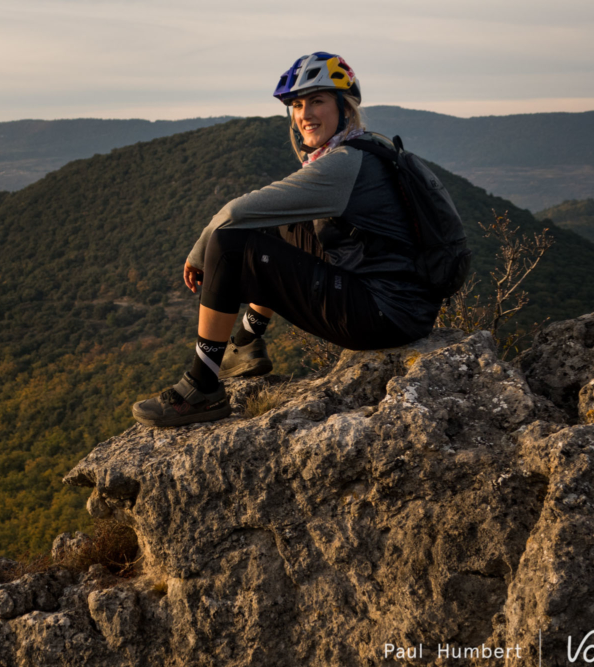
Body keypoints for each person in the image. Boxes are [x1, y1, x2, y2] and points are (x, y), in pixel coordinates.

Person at [132, 51, 441, 428]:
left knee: (229, 243)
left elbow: (237, 211)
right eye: (297, 104)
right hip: (401, 307)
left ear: (343, 106)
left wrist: (199, 251)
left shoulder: (344, 163)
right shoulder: (366, 147)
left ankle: (201, 387)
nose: (305, 113)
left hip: (383, 315)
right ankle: (246, 344)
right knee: (276, 225)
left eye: (317, 100)